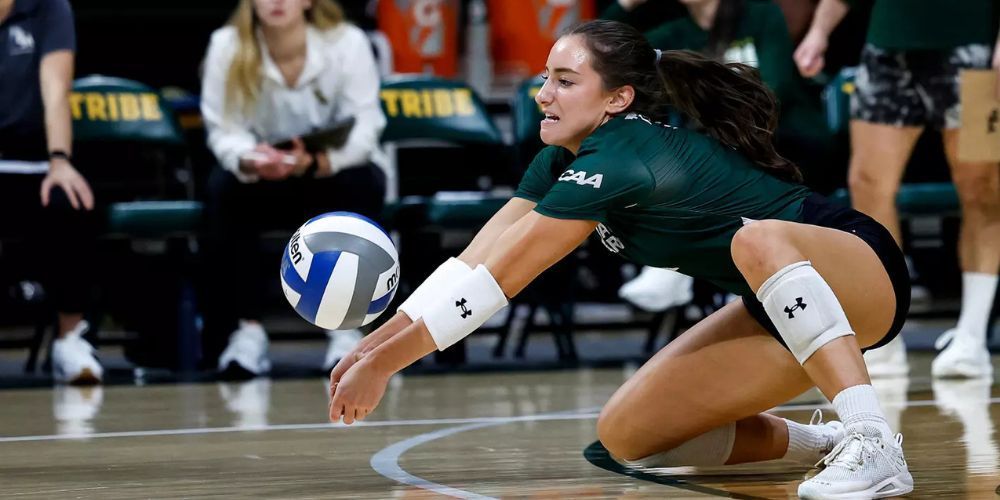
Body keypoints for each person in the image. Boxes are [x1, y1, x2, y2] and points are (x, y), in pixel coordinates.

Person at [327, 20, 915, 498]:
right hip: (779, 306)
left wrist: (385, 368)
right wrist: (375, 344)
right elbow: (474, 263)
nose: (543, 95)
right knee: (630, 435)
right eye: (543, 78)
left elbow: (500, 282)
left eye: (564, 80)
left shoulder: (624, 156)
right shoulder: (561, 159)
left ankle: (874, 442)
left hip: (855, 265)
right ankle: (830, 442)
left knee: (755, 238)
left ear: (617, 98)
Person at [795, 0, 1000, 379]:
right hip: (887, 49)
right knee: (868, 186)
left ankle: (971, 336)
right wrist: (819, 31)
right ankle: (885, 338)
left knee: (982, 190)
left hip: (972, 47)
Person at [200, 0, 389, 377]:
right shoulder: (227, 44)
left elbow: (367, 124)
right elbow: (223, 129)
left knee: (364, 181)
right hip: (264, 175)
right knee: (223, 190)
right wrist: (250, 160)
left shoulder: (347, 42)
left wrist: (320, 162)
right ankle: (246, 333)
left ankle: (348, 330)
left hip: (326, 172)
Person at [613, 0, 835, 314]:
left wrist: (722, 126)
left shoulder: (760, 14)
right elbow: (599, 51)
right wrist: (626, 2)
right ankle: (739, 272)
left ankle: (679, 262)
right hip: (711, 145)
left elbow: (775, 86)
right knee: (668, 152)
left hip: (782, 137)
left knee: (707, 156)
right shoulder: (674, 34)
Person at [0, 0, 103, 384]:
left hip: (30, 159)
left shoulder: (48, 7)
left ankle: (70, 337)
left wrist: (59, 158)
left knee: (70, 199)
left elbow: (56, 87)